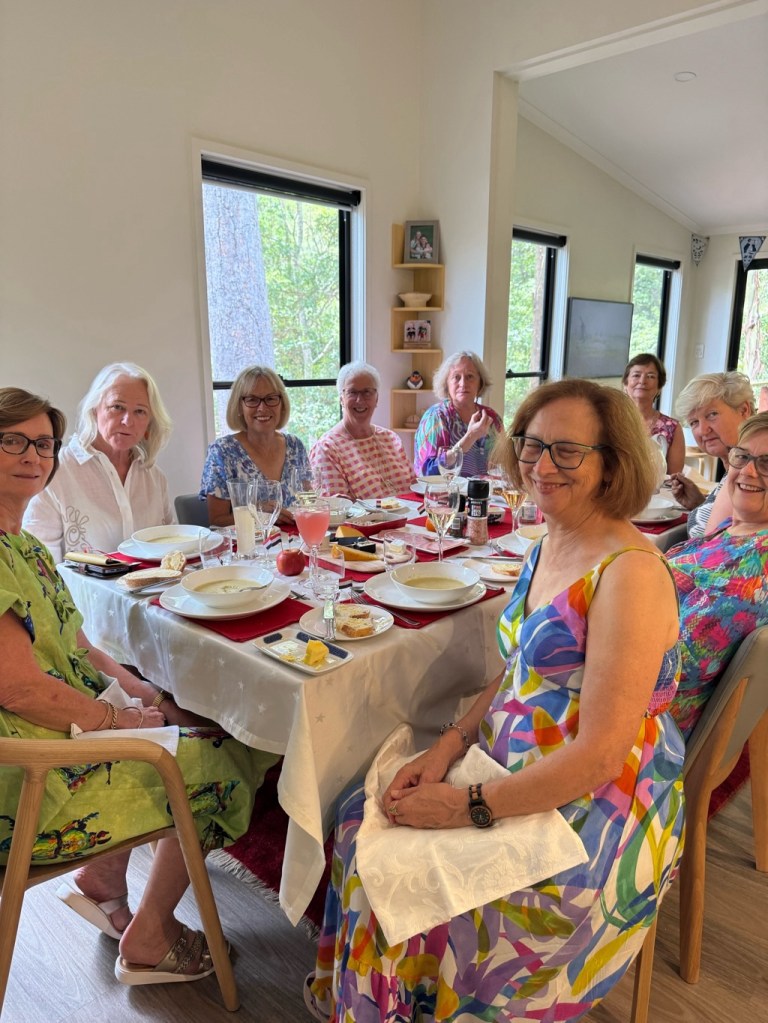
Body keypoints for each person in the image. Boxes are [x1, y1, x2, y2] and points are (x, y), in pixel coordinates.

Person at [307, 379, 685, 1022]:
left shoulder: (631, 573)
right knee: (357, 820)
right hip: (507, 759)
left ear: (613, 462)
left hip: (594, 803)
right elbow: (518, 671)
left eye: (568, 451)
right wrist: (448, 746)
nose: (542, 465)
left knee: (426, 888)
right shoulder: (548, 542)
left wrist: (462, 806)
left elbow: (600, 755)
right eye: (532, 445)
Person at [0, 387, 277, 984]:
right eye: (12, 441)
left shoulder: (23, 545)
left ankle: (102, 879)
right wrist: (119, 722)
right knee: (231, 755)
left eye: (43, 444)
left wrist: (153, 700)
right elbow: (19, 691)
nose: (32, 455)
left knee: (198, 720)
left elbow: (81, 649)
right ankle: (150, 935)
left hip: (61, 741)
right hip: (32, 782)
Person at [667, 412, 768, 741]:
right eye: (742, 456)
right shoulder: (737, 531)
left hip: (639, 729)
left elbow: (679, 667)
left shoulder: (751, 568)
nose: (748, 471)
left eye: (767, 463)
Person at [23, 363, 174, 563]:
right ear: (94, 409)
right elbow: (39, 565)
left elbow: (172, 552)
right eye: (117, 407)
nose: (127, 421)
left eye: (140, 411)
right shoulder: (56, 472)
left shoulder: (154, 477)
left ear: (149, 421)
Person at [199, 365, 310, 526]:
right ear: (239, 406)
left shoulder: (295, 446)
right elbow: (216, 521)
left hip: (297, 539)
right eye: (252, 400)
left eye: (271, 398)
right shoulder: (222, 452)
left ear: (282, 404)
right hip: (248, 542)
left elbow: (308, 504)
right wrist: (257, 514)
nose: (262, 408)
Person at [310, 362, 415, 499]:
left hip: (411, 513)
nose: (359, 400)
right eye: (352, 392)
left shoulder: (391, 438)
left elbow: (414, 487)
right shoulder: (327, 448)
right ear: (341, 399)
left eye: (367, 392)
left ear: (376, 398)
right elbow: (337, 508)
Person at [668, 371, 755, 537]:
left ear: (744, 410)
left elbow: (717, 544)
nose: (703, 430)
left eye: (712, 415)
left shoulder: (752, 472)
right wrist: (700, 504)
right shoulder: (734, 467)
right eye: (694, 422)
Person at [413, 351, 503, 477]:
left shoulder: (491, 417)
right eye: (456, 377)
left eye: (470, 376)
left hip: (486, 489)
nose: (463, 383)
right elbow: (427, 472)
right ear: (446, 384)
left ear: (480, 383)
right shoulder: (436, 417)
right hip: (447, 490)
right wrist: (470, 437)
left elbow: (504, 463)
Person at [622, 352, 685, 473]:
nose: (642, 381)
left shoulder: (673, 428)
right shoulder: (610, 421)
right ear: (625, 384)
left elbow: (673, 477)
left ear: (659, 387)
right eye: (636, 375)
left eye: (650, 376)